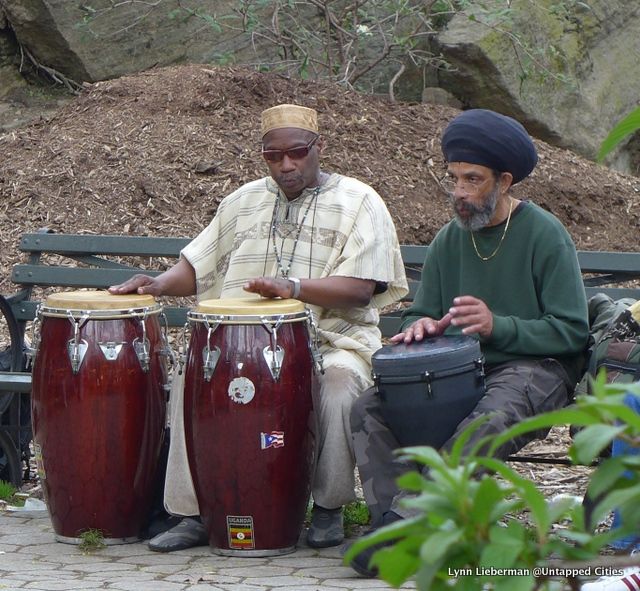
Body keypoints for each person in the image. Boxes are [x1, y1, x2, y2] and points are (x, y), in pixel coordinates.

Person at [109, 103, 408, 552]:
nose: (286, 165)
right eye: (273, 156)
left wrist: (292, 287)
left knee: (339, 386)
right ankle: (191, 512)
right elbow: (196, 266)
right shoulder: (242, 201)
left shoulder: (360, 201)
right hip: (239, 347)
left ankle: (327, 508)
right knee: (189, 378)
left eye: (298, 152)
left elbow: (362, 289)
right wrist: (157, 284)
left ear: (318, 148)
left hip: (332, 341)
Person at [347, 108, 590, 577]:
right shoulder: (448, 239)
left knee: (490, 419)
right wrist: (422, 327)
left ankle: (407, 525)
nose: (459, 192)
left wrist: (498, 325)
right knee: (369, 408)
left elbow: (570, 331)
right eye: (453, 178)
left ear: (505, 180)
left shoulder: (545, 234)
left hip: (535, 369)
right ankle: (393, 526)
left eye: (472, 180)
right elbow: (423, 310)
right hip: (456, 369)